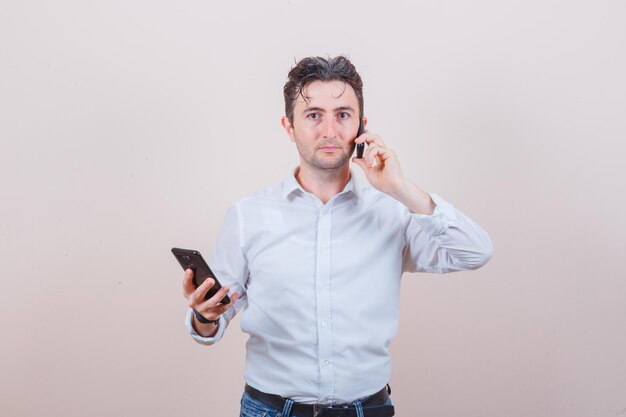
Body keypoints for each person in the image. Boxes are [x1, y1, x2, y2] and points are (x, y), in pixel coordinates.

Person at [181, 56, 493, 417]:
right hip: (269, 409)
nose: (329, 130)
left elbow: (476, 252)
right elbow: (215, 316)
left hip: (367, 409)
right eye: (314, 115)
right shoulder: (248, 215)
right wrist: (205, 316)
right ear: (289, 126)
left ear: (362, 126)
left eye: (343, 115)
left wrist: (402, 189)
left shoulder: (393, 212)